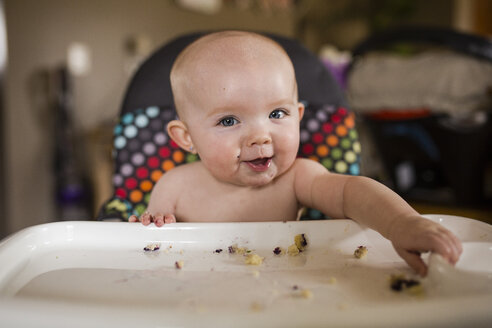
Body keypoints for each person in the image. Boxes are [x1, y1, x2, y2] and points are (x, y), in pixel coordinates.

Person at [129, 30, 462, 276]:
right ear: (186, 137)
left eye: (277, 114)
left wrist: (399, 223)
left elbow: (352, 192)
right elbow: (147, 251)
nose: (261, 136)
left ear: (298, 117)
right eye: (229, 120)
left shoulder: (297, 177)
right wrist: (149, 225)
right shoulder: (173, 188)